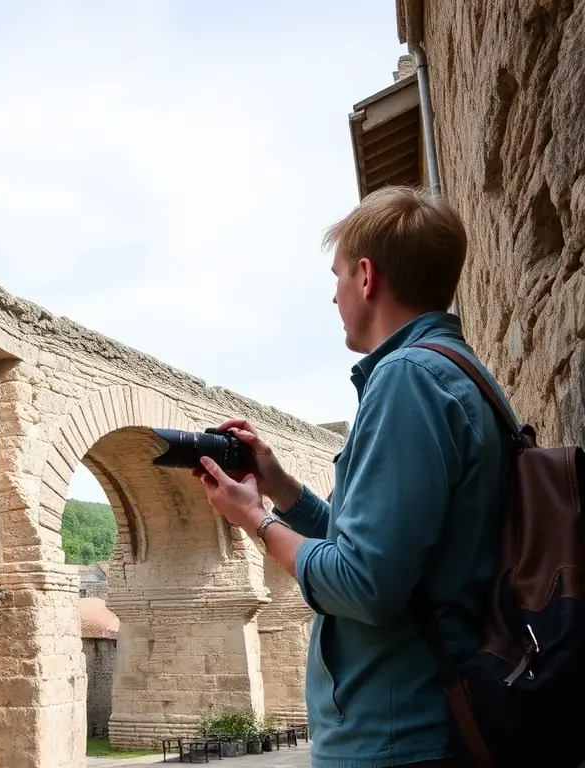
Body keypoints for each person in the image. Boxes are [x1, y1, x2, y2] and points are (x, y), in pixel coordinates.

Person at [197, 186, 517, 767]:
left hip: (396, 737)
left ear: (366, 277)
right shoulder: (454, 372)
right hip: (419, 725)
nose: (334, 295)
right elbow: (377, 550)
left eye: (337, 275)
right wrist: (282, 488)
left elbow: (364, 584)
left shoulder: (407, 382)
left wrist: (254, 518)